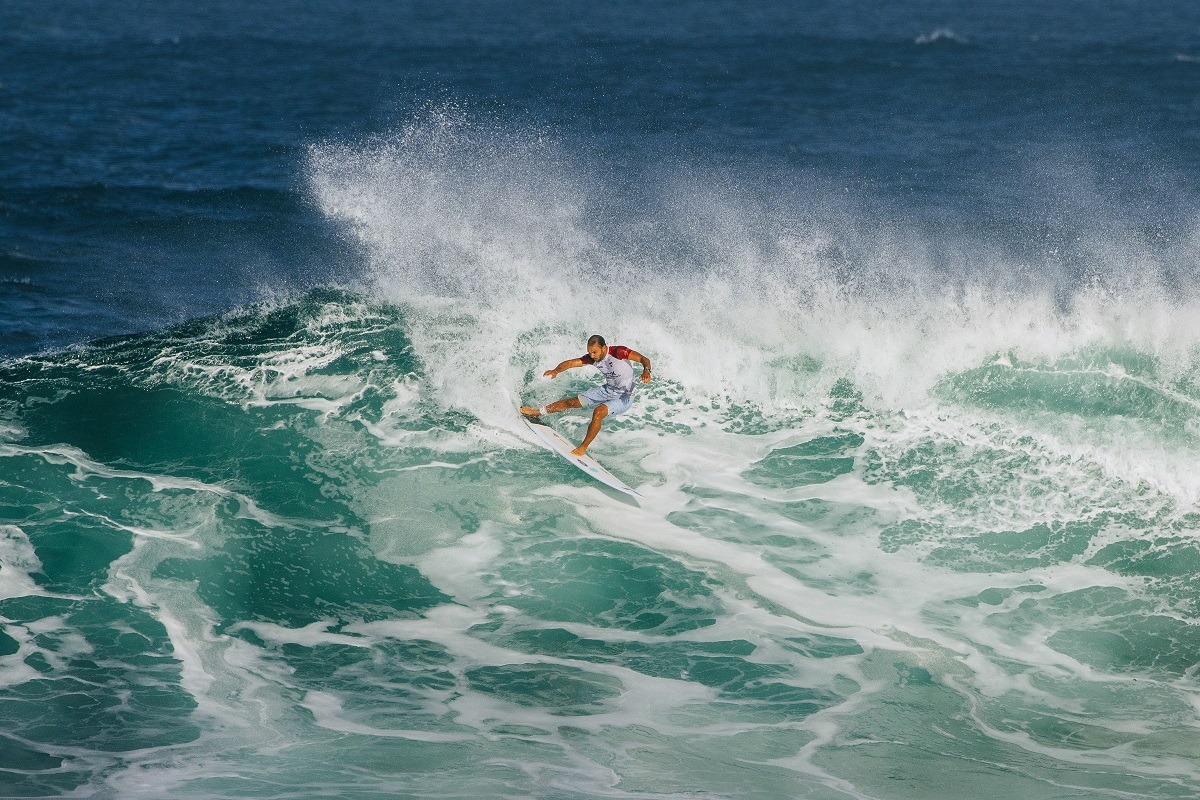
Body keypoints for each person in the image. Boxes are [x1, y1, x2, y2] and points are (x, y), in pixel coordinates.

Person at [521, 334, 652, 456]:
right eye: (590, 352)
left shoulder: (618, 352)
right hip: (608, 390)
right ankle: (537, 412)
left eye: (595, 352)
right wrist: (556, 371)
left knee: (599, 412)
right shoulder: (593, 358)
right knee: (570, 403)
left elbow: (643, 359)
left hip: (625, 396)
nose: (592, 355)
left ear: (604, 348)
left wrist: (646, 370)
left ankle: (583, 447)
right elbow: (571, 363)